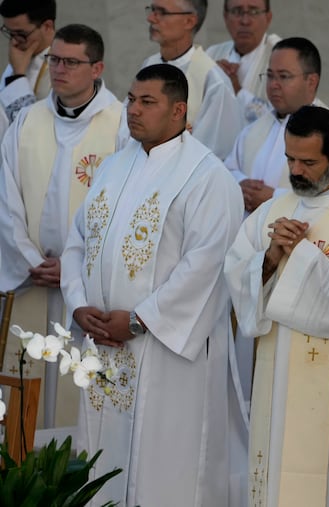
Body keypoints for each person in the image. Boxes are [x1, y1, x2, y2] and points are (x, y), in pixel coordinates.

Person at [60, 63, 244, 506]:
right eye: (131, 100)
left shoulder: (208, 178)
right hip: (104, 345)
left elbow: (206, 267)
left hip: (167, 355)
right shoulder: (113, 166)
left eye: (148, 102)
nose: (133, 111)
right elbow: (78, 242)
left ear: (178, 110)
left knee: (165, 470)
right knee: (103, 458)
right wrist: (79, 304)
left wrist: (139, 322)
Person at [224, 105, 329, 507]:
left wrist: (298, 255)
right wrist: (269, 258)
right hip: (276, 379)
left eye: (308, 162)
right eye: (289, 159)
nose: (295, 171)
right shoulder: (273, 210)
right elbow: (236, 272)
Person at [0, 23, 128, 426]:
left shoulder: (122, 126)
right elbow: (6, 197)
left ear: (97, 68)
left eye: (71, 62)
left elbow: (126, 208)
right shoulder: (27, 121)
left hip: (86, 292)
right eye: (55, 59)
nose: (59, 69)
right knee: (27, 397)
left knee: (79, 403)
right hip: (31, 280)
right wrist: (27, 259)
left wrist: (74, 268)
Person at [225, 37, 329, 215]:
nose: (273, 85)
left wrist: (274, 198)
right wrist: (241, 184)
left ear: (312, 81)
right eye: (270, 76)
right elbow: (229, 169)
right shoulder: (252, 130)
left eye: (284, 76)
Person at [142, 0, 245, 159]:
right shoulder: (149, 64)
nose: (151, 18)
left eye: (162, 12)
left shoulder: (213, 80)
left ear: (189, 21)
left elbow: (214, 152)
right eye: (152, 10)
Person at [206, 0, 281, 122]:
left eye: (254, 11)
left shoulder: (282, 58)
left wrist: (237, 91)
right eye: (237, 11)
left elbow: (282, 119)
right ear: (225, 17)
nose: (245, 21)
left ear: (268, 18)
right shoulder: (212, 54)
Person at [0, 0, 55, 137]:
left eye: (21, 34)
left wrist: (18, 76)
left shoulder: (64, 66)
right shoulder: (19, 57)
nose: (14, 41)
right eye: (9, 33)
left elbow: (36, 130)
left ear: (47, 26)